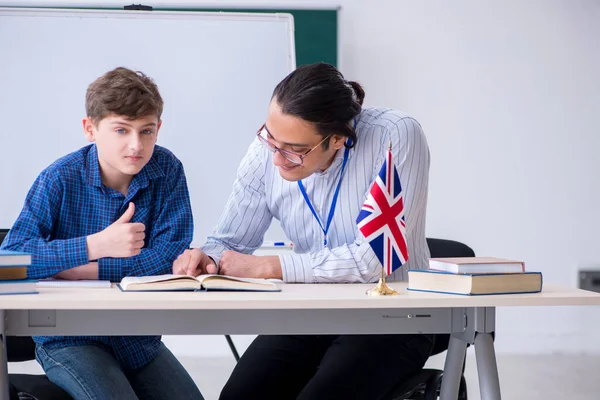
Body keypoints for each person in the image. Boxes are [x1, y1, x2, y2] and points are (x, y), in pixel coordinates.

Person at [173, 62, 433, 400]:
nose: (277, 159)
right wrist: (206, 258)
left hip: (393, 318)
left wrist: (270, 267)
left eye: (294, 150)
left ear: (338, 138)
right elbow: (230, 242)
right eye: (270, 137)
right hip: (311, 314)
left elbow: (374, 260)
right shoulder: (267, 153)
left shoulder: (395, 134)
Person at [1, 67, 203, 400]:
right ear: (90, 129)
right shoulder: (59, 178)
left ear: (159, 129)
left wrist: (83, 270)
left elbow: (169, 256)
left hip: (137, 338)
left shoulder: (167, 170)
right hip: (69, 338)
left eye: (146, 131)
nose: (136, 145)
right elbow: (7, 262)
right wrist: (95, 245)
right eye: (121, 130)